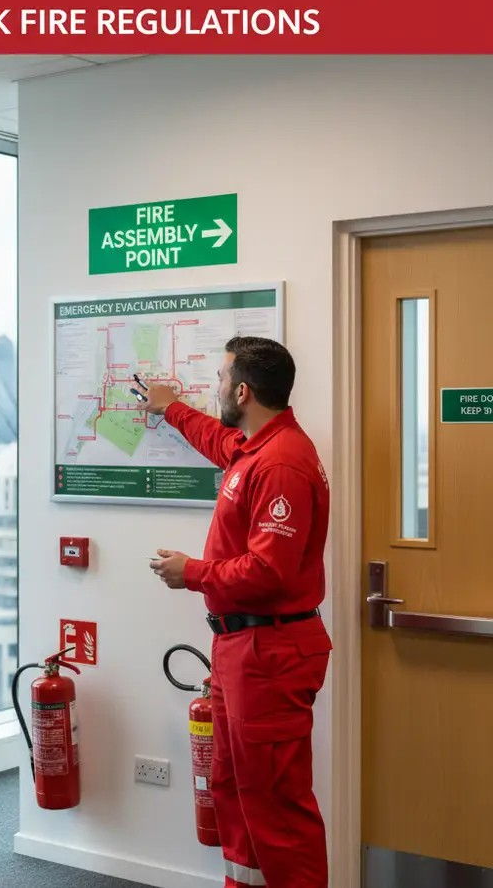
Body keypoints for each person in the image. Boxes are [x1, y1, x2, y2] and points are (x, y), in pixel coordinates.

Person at [142, 335, 331, 888]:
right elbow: (216, 438)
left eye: (221, 379)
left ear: (242, 390)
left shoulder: (282, 464)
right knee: (234, 789)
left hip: (269, 653)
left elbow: (269, 572)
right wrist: (169, 408)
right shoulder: (255, 447)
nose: (216, 387)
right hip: (240, 650)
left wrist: (192, 573)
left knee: (276, 807)